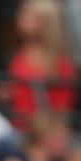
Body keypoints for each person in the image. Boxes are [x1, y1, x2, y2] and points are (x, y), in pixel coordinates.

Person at [7, 0, 78, 128]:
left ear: (45, 22)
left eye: (27, 15)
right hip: (19, 128)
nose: (20, 19)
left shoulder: (61, 63)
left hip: (42, 135)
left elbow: (62, 110)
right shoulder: (22, 52)